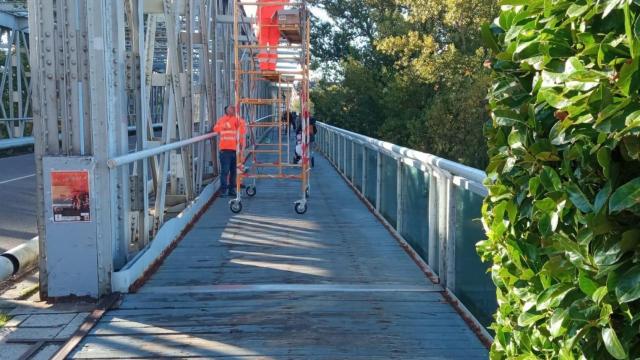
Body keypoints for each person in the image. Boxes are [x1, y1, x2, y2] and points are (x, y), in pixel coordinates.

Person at [212, 105, 246, 197]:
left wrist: (242, 149)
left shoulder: (237, 120)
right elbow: (215, 128)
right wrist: (225, 125)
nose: (232, 110)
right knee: (225, 171)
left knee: (233, 172)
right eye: (230, 108)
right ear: (226, 111)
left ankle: (231, 190)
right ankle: (224, 190)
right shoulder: (222, 120)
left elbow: (242, 132)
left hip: (235, 150)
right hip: (225, 150)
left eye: (233, 108)